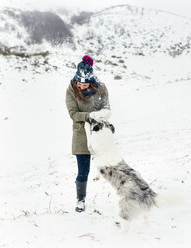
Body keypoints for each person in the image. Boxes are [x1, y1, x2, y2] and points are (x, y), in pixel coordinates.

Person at [65, 55, 111, 212]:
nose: (81, 86)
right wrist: (89, 116)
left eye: (84, 84)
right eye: (79, 83)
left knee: (110, 166)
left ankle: (120, 195)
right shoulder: (71, 90)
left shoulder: (101, 88)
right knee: (83, 171)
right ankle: (80, 200)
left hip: (99, 133)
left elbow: (107, 109)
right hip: (81, 134)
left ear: (91, 81)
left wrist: (102, 117)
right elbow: (73, 114)